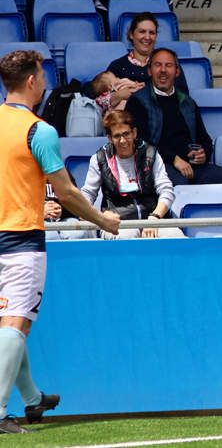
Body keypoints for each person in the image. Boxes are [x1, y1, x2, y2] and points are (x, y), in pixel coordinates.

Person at [0, 50, 120, 434]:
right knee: (16, 324)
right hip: (20, 239)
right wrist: (103, 219)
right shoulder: (39, 130)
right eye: (42, 75)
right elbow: (66, 193)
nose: (46, 82)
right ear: (32, 81)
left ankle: (32, 400)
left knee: (8, 326)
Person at [124, 48, 222, 191]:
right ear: (149, 71)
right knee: (180, 185)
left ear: (177, 72)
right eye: (157, 65)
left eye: (168, 65)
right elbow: (139, 142)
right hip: (156, 164)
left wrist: (203, 153)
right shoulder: (137, 101)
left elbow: (204, 138)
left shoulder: (187, 102)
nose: (163, 70)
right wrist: (174, 159)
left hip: (191, 165)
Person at [80, 110, 184, 240]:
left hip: (153, 217)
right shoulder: (99, 159)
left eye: (126, 134)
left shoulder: (150, 153)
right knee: (127, 236)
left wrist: (155, 218)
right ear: (110, 138)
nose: (123, 141)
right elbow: (88, 194)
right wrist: (100, 217)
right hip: (118, 222)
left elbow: (166, 190)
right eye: (117, 136)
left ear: (134, 133)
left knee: (175, 236)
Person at [101, 13, 189, 97]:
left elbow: (183, 95)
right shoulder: (117, 66)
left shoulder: (168, 63)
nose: (147, 37)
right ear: (131, 34)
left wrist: (138, 89)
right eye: (142, 32)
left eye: (152, 33)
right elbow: (95, 92)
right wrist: (117, 95)